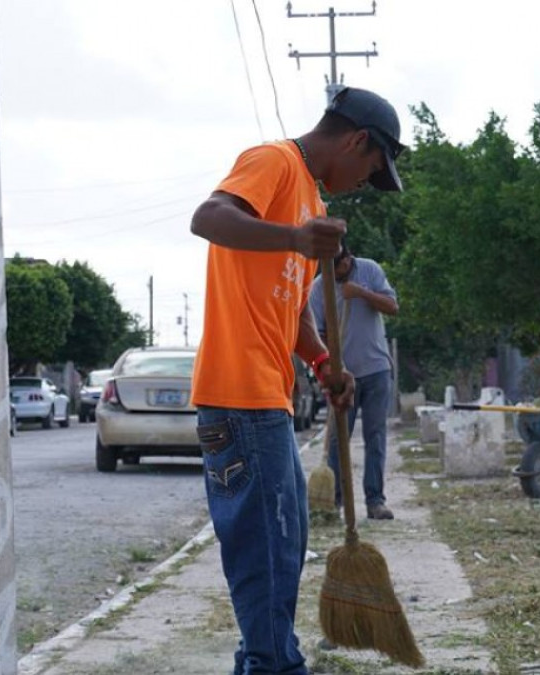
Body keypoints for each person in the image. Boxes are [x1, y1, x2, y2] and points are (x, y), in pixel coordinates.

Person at [189, 86, 405, 675]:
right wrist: (293, 237)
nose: (365, 181)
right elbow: (207, 218)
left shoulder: (309, 196)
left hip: (268, 399)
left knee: (283, 549)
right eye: (371, 168)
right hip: (237, 398)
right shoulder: (273, 162)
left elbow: (292, 312)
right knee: (266, 552)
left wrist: (322, 362)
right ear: (358, 140)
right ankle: (277, 667)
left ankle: (266, 662)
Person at [309, 240, 399, 520]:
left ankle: (375, 501)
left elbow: (392, 306)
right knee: (338, 441)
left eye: (345, 263)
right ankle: (334, 503)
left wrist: (361, 292)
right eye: (337, 268)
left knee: (375, 437)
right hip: (342, 375)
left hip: (376, 370)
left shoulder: (370, 270)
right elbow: (316, 333)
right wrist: (333, 364)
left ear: (349, 256)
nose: (343, 269)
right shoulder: (318, 289)